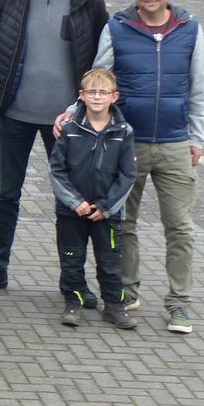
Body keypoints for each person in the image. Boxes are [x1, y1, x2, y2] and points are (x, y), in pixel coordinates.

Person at [0, 0, 107, 297]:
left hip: (68, 121)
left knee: (70, 198)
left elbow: (96, 58)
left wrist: (79, 107)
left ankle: (72, 280)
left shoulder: (88, 0)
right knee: (6, 193)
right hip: (15, 114)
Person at [88, 0, 204, 334]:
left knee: (181, 228)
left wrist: (196, 138)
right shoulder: (117, 28)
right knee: (123, 222)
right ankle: (126, 290)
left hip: (174, 143)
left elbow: (198, 86)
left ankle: (179, 304)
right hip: (128, 143)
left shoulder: (189, 29)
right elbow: (99, 79)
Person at [48, 68, 136, 330]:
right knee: (72, 258)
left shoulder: (123, 132)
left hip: (105, 213)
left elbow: (128, 174)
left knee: (110, 262)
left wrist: (107, 206)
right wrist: (74, 202)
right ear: (82, 96)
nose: (97, 97)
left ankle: (114, 306)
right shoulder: (69, 128)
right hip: (71, 211)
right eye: (92, 92)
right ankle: (73, 302)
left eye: (103, 92)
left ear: (114, 97)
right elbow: (57, 170)